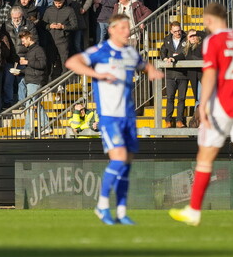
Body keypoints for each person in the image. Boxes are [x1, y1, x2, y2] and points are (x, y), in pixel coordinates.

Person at [169, 2, 233, 228]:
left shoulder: (213, 40)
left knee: (205, 158)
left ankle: (194, 211)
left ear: (211, 19)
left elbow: (211, 73)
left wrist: (203, 104)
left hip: (223, 105)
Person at [65, 14, 164, 225]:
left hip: (128, 117)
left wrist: (151, 70)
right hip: (109, 116)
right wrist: (97, 75)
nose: (127, 32)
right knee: (118, 159)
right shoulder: (101, 51)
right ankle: (101, 206)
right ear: (111, 30)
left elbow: (142, 65)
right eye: (123, 28)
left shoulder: (129, 52)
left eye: (128, 28)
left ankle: (121, 211)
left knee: (126, 164)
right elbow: (72, 61)